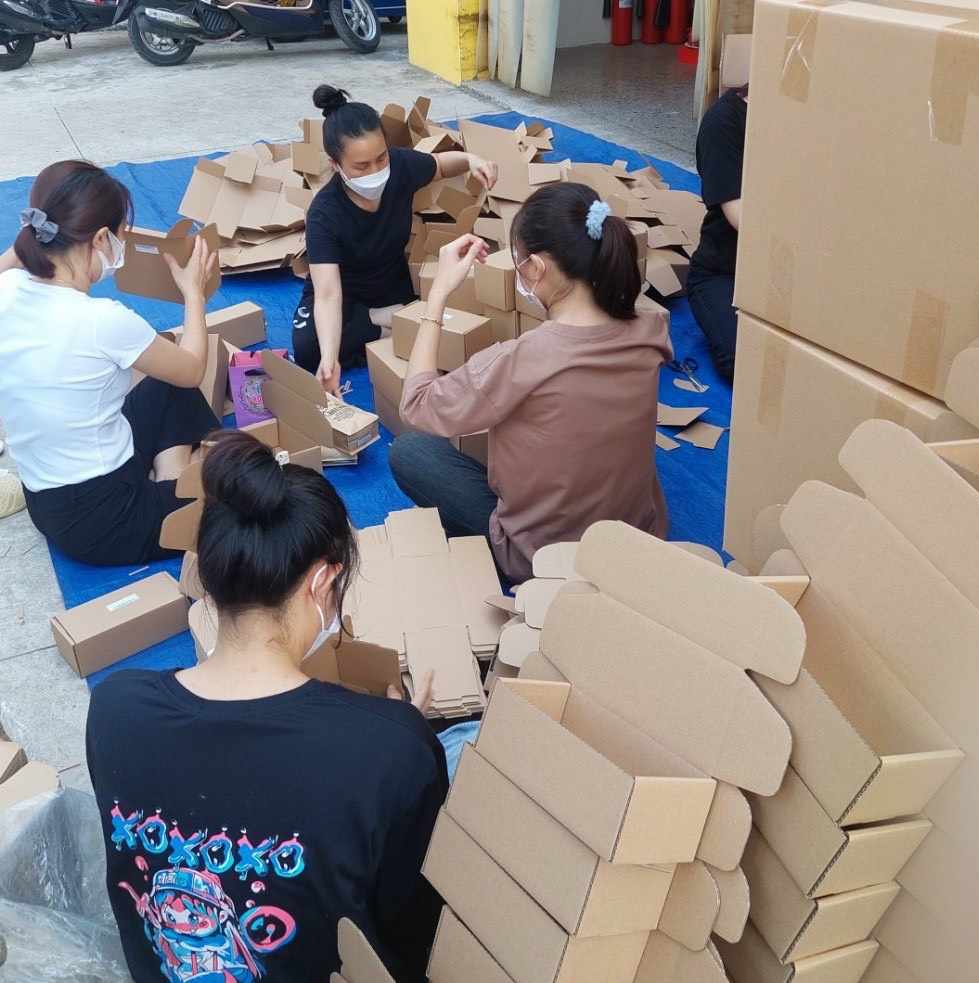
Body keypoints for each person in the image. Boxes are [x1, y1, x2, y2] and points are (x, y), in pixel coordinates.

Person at [87, 430, 447, 983]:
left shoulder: (116, 708)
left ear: (209, 574)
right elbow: (413, 934)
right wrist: (402, 736)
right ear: (323, 581)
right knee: (458, 744)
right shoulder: (390, 748)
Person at [389, 182, 673, 584]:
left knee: (410, 451)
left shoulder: (521, 359)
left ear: (536, 268)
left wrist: (436, 296)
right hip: (635, 537)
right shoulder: (652, 329)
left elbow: (416, 404)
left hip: (543, 557)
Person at [0, 160, 219, 566]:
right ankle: (168, 492)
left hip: (46, 501)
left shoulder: (7, 287)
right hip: (102, 521)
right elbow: (192, 370)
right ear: (101, 238)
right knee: (240, 500)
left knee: (165, 386)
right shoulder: (103, 320)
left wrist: (31, 238)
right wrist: (194, 295)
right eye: (120, 237)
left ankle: (167, 486)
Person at [294, 84, 499, 395]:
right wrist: (329, 358)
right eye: (361, 166)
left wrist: (473, 160)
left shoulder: (400, 167)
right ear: (336, 165)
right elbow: (327, 294)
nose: (376, 170)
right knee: (309, 349)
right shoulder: (324, 214)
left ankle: (388, 322)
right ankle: (384, 320)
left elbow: (441, 165)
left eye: (381, 158)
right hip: (345, 295)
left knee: (447, 315)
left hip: (390, 283)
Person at [686, 83, 748, 383]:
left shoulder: (815, 120)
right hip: (725, 271)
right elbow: (739, 216)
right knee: (750, 364)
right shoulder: (724, 121)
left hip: (794, 270)